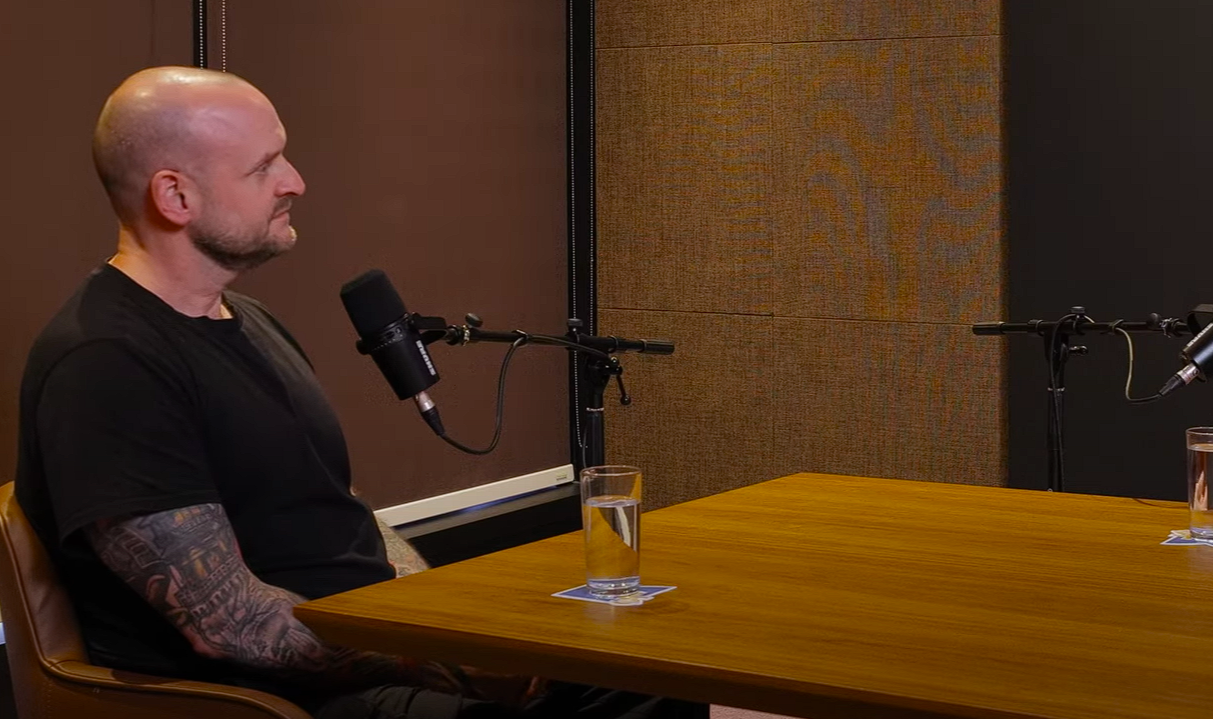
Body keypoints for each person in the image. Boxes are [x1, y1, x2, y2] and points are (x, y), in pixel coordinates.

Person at [15, 67, 705, 718]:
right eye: (264, 167)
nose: (296, 181)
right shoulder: (109, 362)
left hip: (381, 659)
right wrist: (434, 656)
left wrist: (452, 623)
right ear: (175, 196)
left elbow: (341, 513)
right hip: (277, 700)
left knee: (668, 681)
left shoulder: (248, 321)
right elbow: (232, 627)